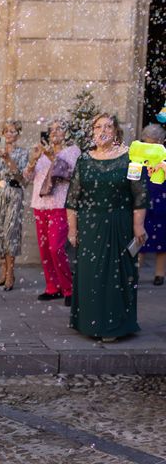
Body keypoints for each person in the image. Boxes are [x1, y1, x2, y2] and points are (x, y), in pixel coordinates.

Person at [66, 113, 147, 342]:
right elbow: (73, 198)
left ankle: (115, 325)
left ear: (116, 131)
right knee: (91, 275)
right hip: (90, 225)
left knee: (118, 275)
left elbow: (139, 194)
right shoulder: (84, 160)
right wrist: (73, 229)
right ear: (92, 131)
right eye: (98, 126)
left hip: (120, 224)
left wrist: (138, 225)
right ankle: (89, 323)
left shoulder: (130, 158)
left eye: (108, 126)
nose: (103, 130)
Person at [23, 119, 81, 306]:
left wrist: (49, 155)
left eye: (59, 128)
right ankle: (52, 287)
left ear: (66, 132)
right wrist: (32, 161)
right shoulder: (41, 154)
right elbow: (28, 177)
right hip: (40, 205)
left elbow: (66, 173)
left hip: (59, 205)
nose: (55, 132)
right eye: (52, 129)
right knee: (45, 250)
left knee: (56, 248)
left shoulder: (72, 151)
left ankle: (69, 288)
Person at [0, 119, 29, 290]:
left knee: (10, 232)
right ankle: (2, 271)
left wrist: (8, 158)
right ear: (2, 134)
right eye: (6, 131)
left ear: (18, 135)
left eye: (13, 131)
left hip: (13, 193)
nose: (9, 134)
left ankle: (11, 274)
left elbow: (20, 176)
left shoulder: (23, 153)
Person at [138, 123, 166, 285]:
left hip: (162, 203)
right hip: (143, 203)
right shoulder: (139, 160)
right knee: (140, 238)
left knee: (162, 241)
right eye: (147, 142)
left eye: (153, 143)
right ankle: (135, 272)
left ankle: (159, 274)